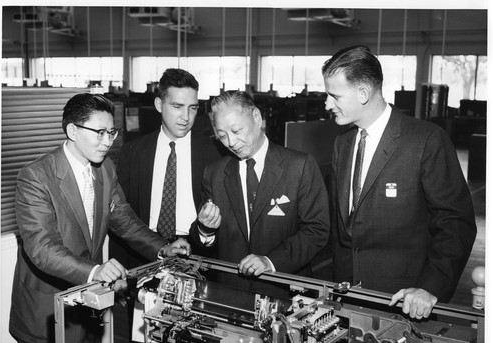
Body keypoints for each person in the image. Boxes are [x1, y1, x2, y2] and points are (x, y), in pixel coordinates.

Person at [9, 93, 190, 343]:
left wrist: (162, 248)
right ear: (73, 131)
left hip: (85, 312)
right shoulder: (36, 177)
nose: (108, 141)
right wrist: (95, 272)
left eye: (112, 132)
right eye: (100, 132)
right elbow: (41, 247)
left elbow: (124, 219)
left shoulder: (104, 168)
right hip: (45, 317)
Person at [322, 45, 476, 319]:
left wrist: (431, 288)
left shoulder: (426, 140)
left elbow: (456, 223)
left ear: (363, 93)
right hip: (346, 298)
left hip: (403, 301)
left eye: (334, 96)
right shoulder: (341, 144)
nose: (327, 104)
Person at [111, 68, 226, 343]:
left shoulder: (213, 152)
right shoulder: (135, 150)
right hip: (146, 255)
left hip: (196, 256)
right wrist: (122, 273)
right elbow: (122, 216)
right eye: (177, 106)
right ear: (159, 103)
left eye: (193, 107)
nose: (186, 116)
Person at [190, 90, 330, 300]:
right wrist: (205, 229)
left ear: (256, 117)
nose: (231, 142)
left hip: (284, 293)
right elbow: (203, 242)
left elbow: (316, 231)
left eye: (236, 130)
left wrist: (271, 261)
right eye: (222, 136)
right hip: (230, 293)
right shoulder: (214, 173)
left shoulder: (299, 166)